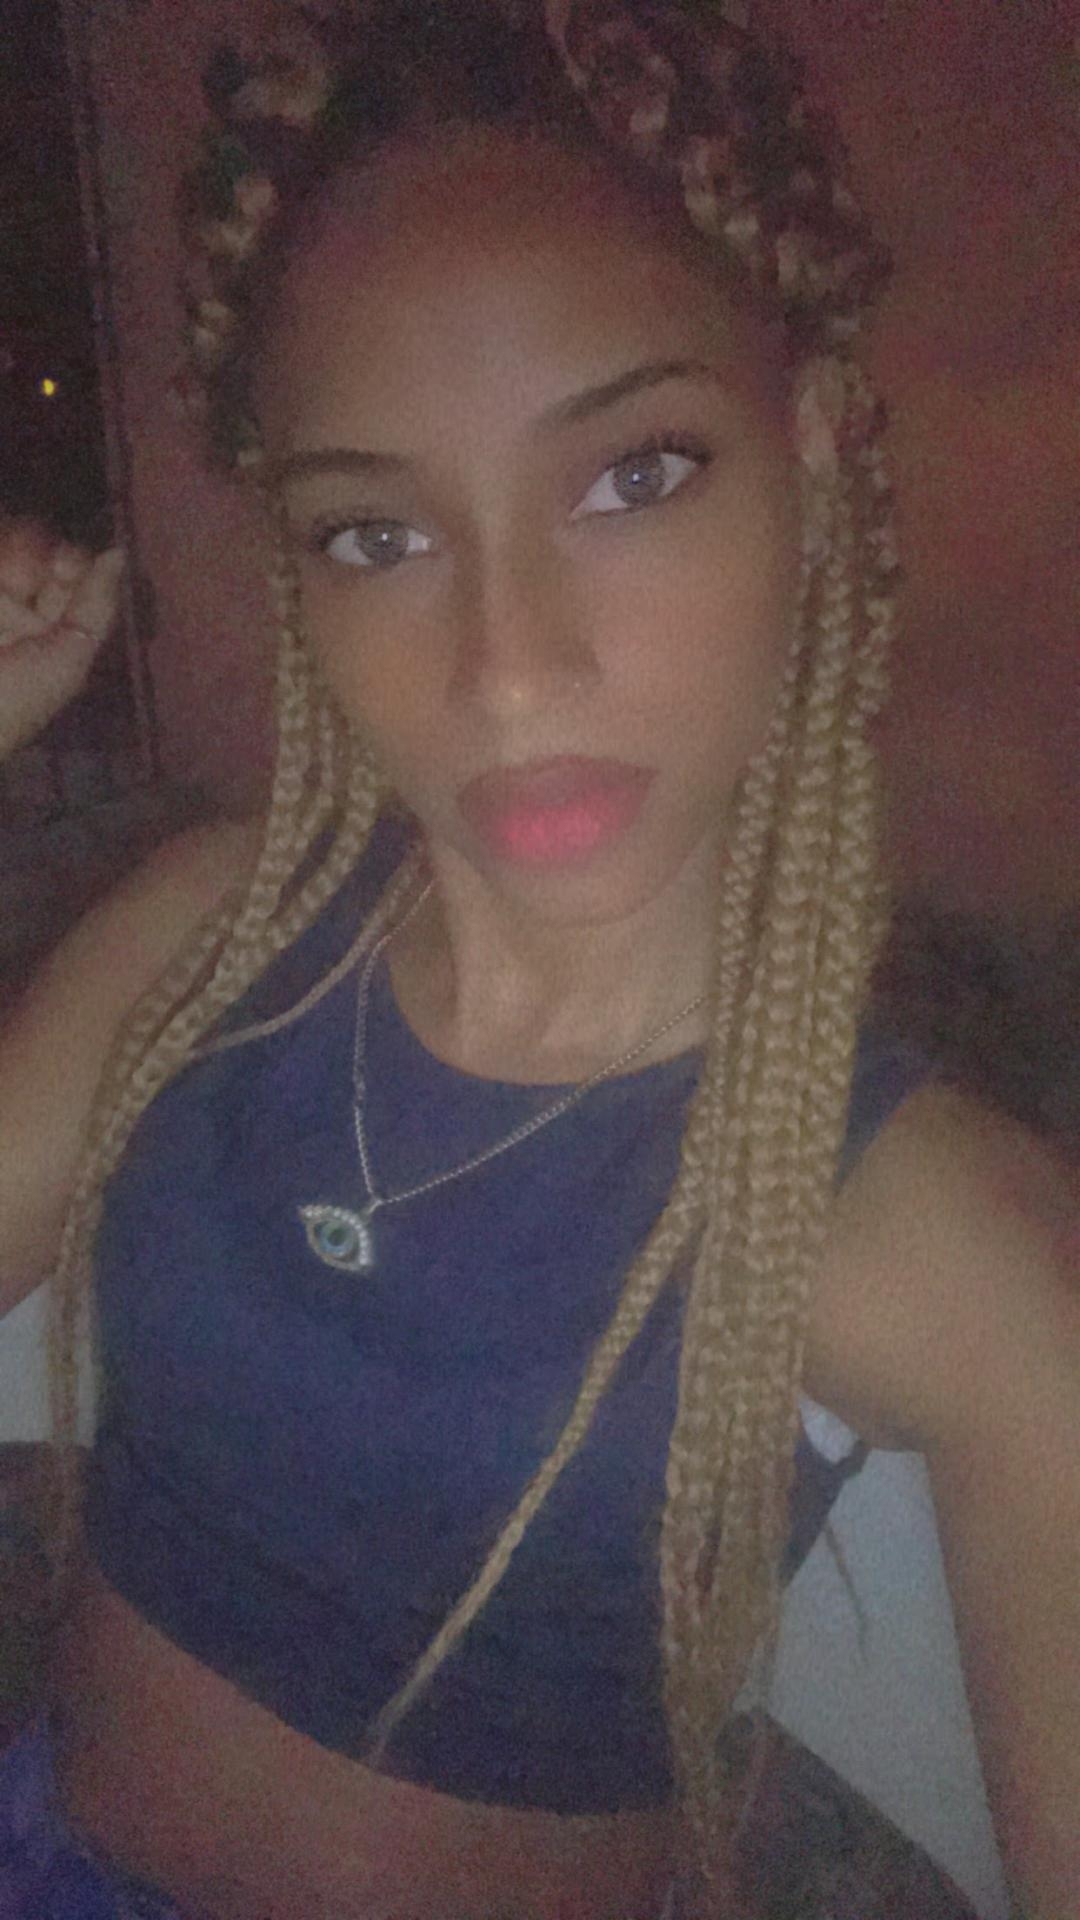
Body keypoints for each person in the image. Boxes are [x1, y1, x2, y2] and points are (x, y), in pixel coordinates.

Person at [0, 2, 1076, 1915]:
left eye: (633, 477)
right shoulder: (205, 940)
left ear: (812, 453)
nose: (508, 665)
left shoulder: (928, 1231)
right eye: (377, 533)